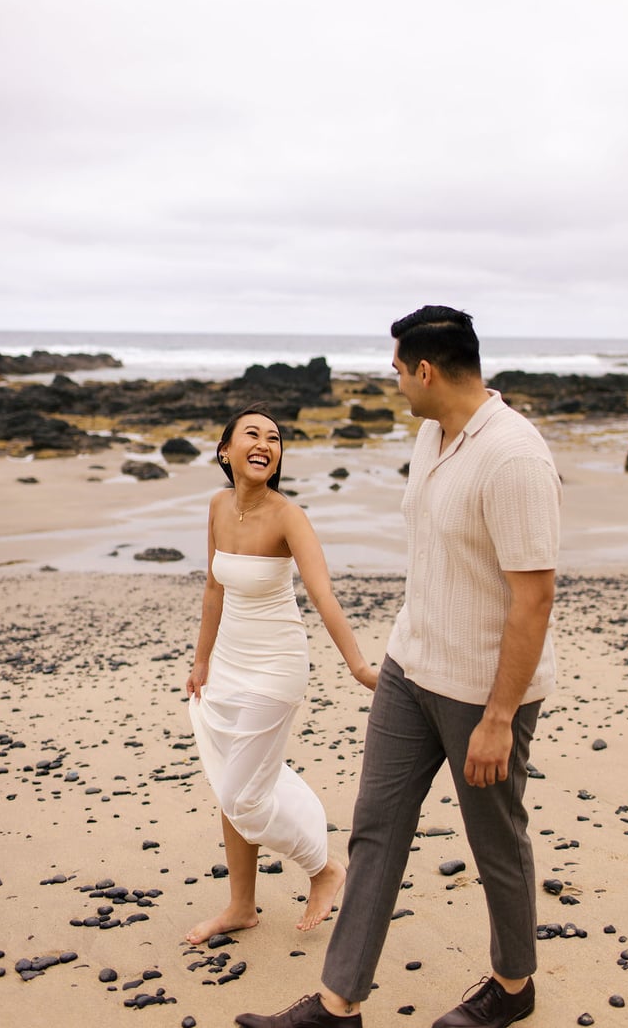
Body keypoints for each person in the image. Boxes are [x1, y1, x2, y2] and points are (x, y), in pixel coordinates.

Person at [235, 306, 561, 1028]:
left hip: (484, 689)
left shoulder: (514, 456)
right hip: (411, 669)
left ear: (426, 369)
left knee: (495, 841)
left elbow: (535, 598)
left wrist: (500, 717)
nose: (393, 382)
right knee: (376, 827)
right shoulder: (430, 433)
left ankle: (514, 985)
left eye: (396, 370)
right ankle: (337, 1002)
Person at [185, 402, 377, 944]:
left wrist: (358, 665)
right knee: (231, 785)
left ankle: (322, 868)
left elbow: (322, 595)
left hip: (275, 665)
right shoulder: (218, 506)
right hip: (228, 662)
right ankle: (241, 906)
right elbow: (214, 588)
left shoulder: (289, 516)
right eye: (252, 434)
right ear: (226, 450)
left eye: (274, 437)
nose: (265, 442)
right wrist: (201, 659)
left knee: (243, 794)